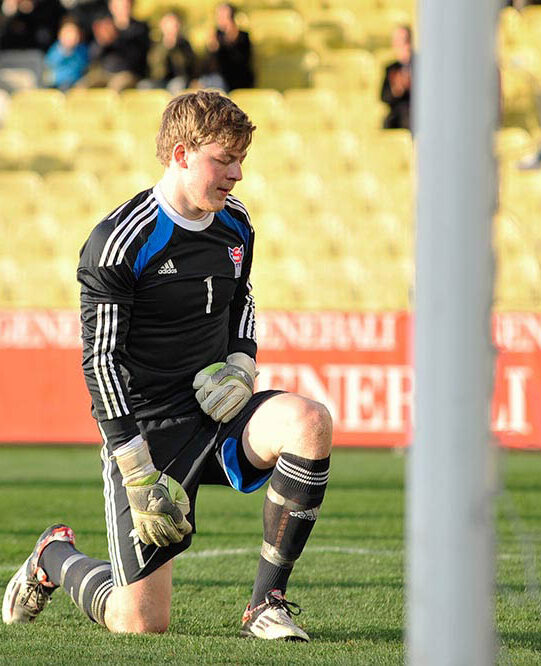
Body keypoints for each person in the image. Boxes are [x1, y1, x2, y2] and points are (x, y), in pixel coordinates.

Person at [2, 90, 333, 642]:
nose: (237, 174)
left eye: (241, 159)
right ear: (180, 154)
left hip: (218, 408)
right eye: (223, 159)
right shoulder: (118, 242)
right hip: (146, 434)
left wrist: (242, 367)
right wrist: (134, 469)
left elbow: (243, 299)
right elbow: (100, 363)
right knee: (141, 624)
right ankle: (53, 555)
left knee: (310, 421)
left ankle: (266, 606)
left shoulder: (236, 223)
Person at [76, 0, 149, 91]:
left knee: (116, 88)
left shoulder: (140, 28)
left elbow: (137, 55)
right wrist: (101, 43)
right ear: (111, 7)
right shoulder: (105, 26)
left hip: (128, 73)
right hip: (105, 73)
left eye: (125, 5)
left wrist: (116, 39)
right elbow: (93, 55)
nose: (122, 9)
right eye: (118, 6)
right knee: (81, 87)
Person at [199, 3, 254, 92]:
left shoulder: (243, 37)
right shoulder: (216, 35)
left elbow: (241, 62)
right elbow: (208, 65)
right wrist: (212, 49)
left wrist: (231, 39)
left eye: (225, 16)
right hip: (218, 78)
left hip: (236, 80)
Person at [147, 10, 196, 94]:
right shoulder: (156, 43)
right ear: (162, 26)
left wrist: (175, 47)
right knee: (145, 86)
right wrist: (166, 47)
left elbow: (185, 67)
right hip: (159, 80)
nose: (172, 29)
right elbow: (155, 67)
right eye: (169, 25)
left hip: (178, 80)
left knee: (177, 85)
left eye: (175, 25)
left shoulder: (184, 44)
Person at [43, 16, 89, 90]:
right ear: (60, 34)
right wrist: (66, 50)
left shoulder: (81, 50)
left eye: (74, 33)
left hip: (76, 85)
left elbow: (83, 66)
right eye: (68, 33)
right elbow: (49, 66)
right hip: (58, 86)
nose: (71, 37)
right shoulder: (56, 51)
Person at [380, 24, 412, 130]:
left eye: (405, 40)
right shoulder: (391, 68)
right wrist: (397, 89)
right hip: (398, 117)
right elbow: (384, 96)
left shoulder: (422, 66)